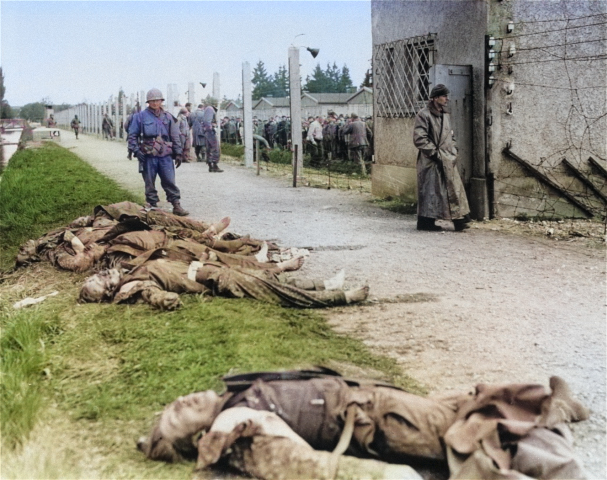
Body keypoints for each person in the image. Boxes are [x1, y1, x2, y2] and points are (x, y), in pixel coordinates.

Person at [413, 84, 471, 232]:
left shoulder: (446, 115)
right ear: (435, 98)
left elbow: (451, 136)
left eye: (447, 96)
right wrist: (435, 154)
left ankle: (460, 219)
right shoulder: (423, 115)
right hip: (431, 160)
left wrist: (454, 150)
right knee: (431, 191)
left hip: (448, 158)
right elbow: (420, 139)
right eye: (444, 96)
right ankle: (426, 221)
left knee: (454, 188)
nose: (447, 99)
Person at [127, 88, 189, 216]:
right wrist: (137, 151)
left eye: (158, 100)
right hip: (148, 154)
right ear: (148, 102)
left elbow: (175, 135)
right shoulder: (140, 117)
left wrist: (178, 152)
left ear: (161, 101)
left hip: (165, 154)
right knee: (149, 181)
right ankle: (152, 206)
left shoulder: (168, 117)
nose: (155, 103)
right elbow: (132, 135)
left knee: (169, 180)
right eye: (152, 101)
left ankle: (176, 204)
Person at [201, 100, 223, 173]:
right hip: (210, 132)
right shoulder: (210, 109)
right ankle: (214, 165)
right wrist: (211, 129)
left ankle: (211, 165)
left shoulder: (208, 109)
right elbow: (207, 121)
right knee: (215, 148)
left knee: (210, 148)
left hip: (208, 131)